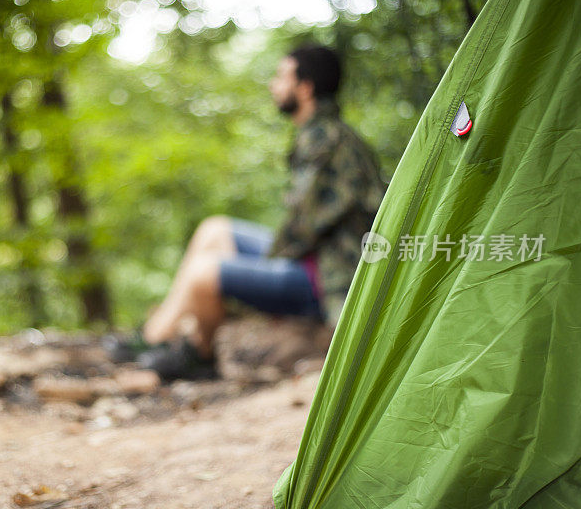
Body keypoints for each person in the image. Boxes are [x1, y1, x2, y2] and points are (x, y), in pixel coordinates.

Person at [105, 44, 386, 380]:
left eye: (282, 76)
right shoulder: (327, 134)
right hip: (316, 259)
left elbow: (304, 226)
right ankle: (168, 340)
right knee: (215, 230)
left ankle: (179, 349)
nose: (273, 85)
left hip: (330, 278)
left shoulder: (325, 140)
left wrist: (261, 267)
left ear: (305, 88)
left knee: (203, 271)